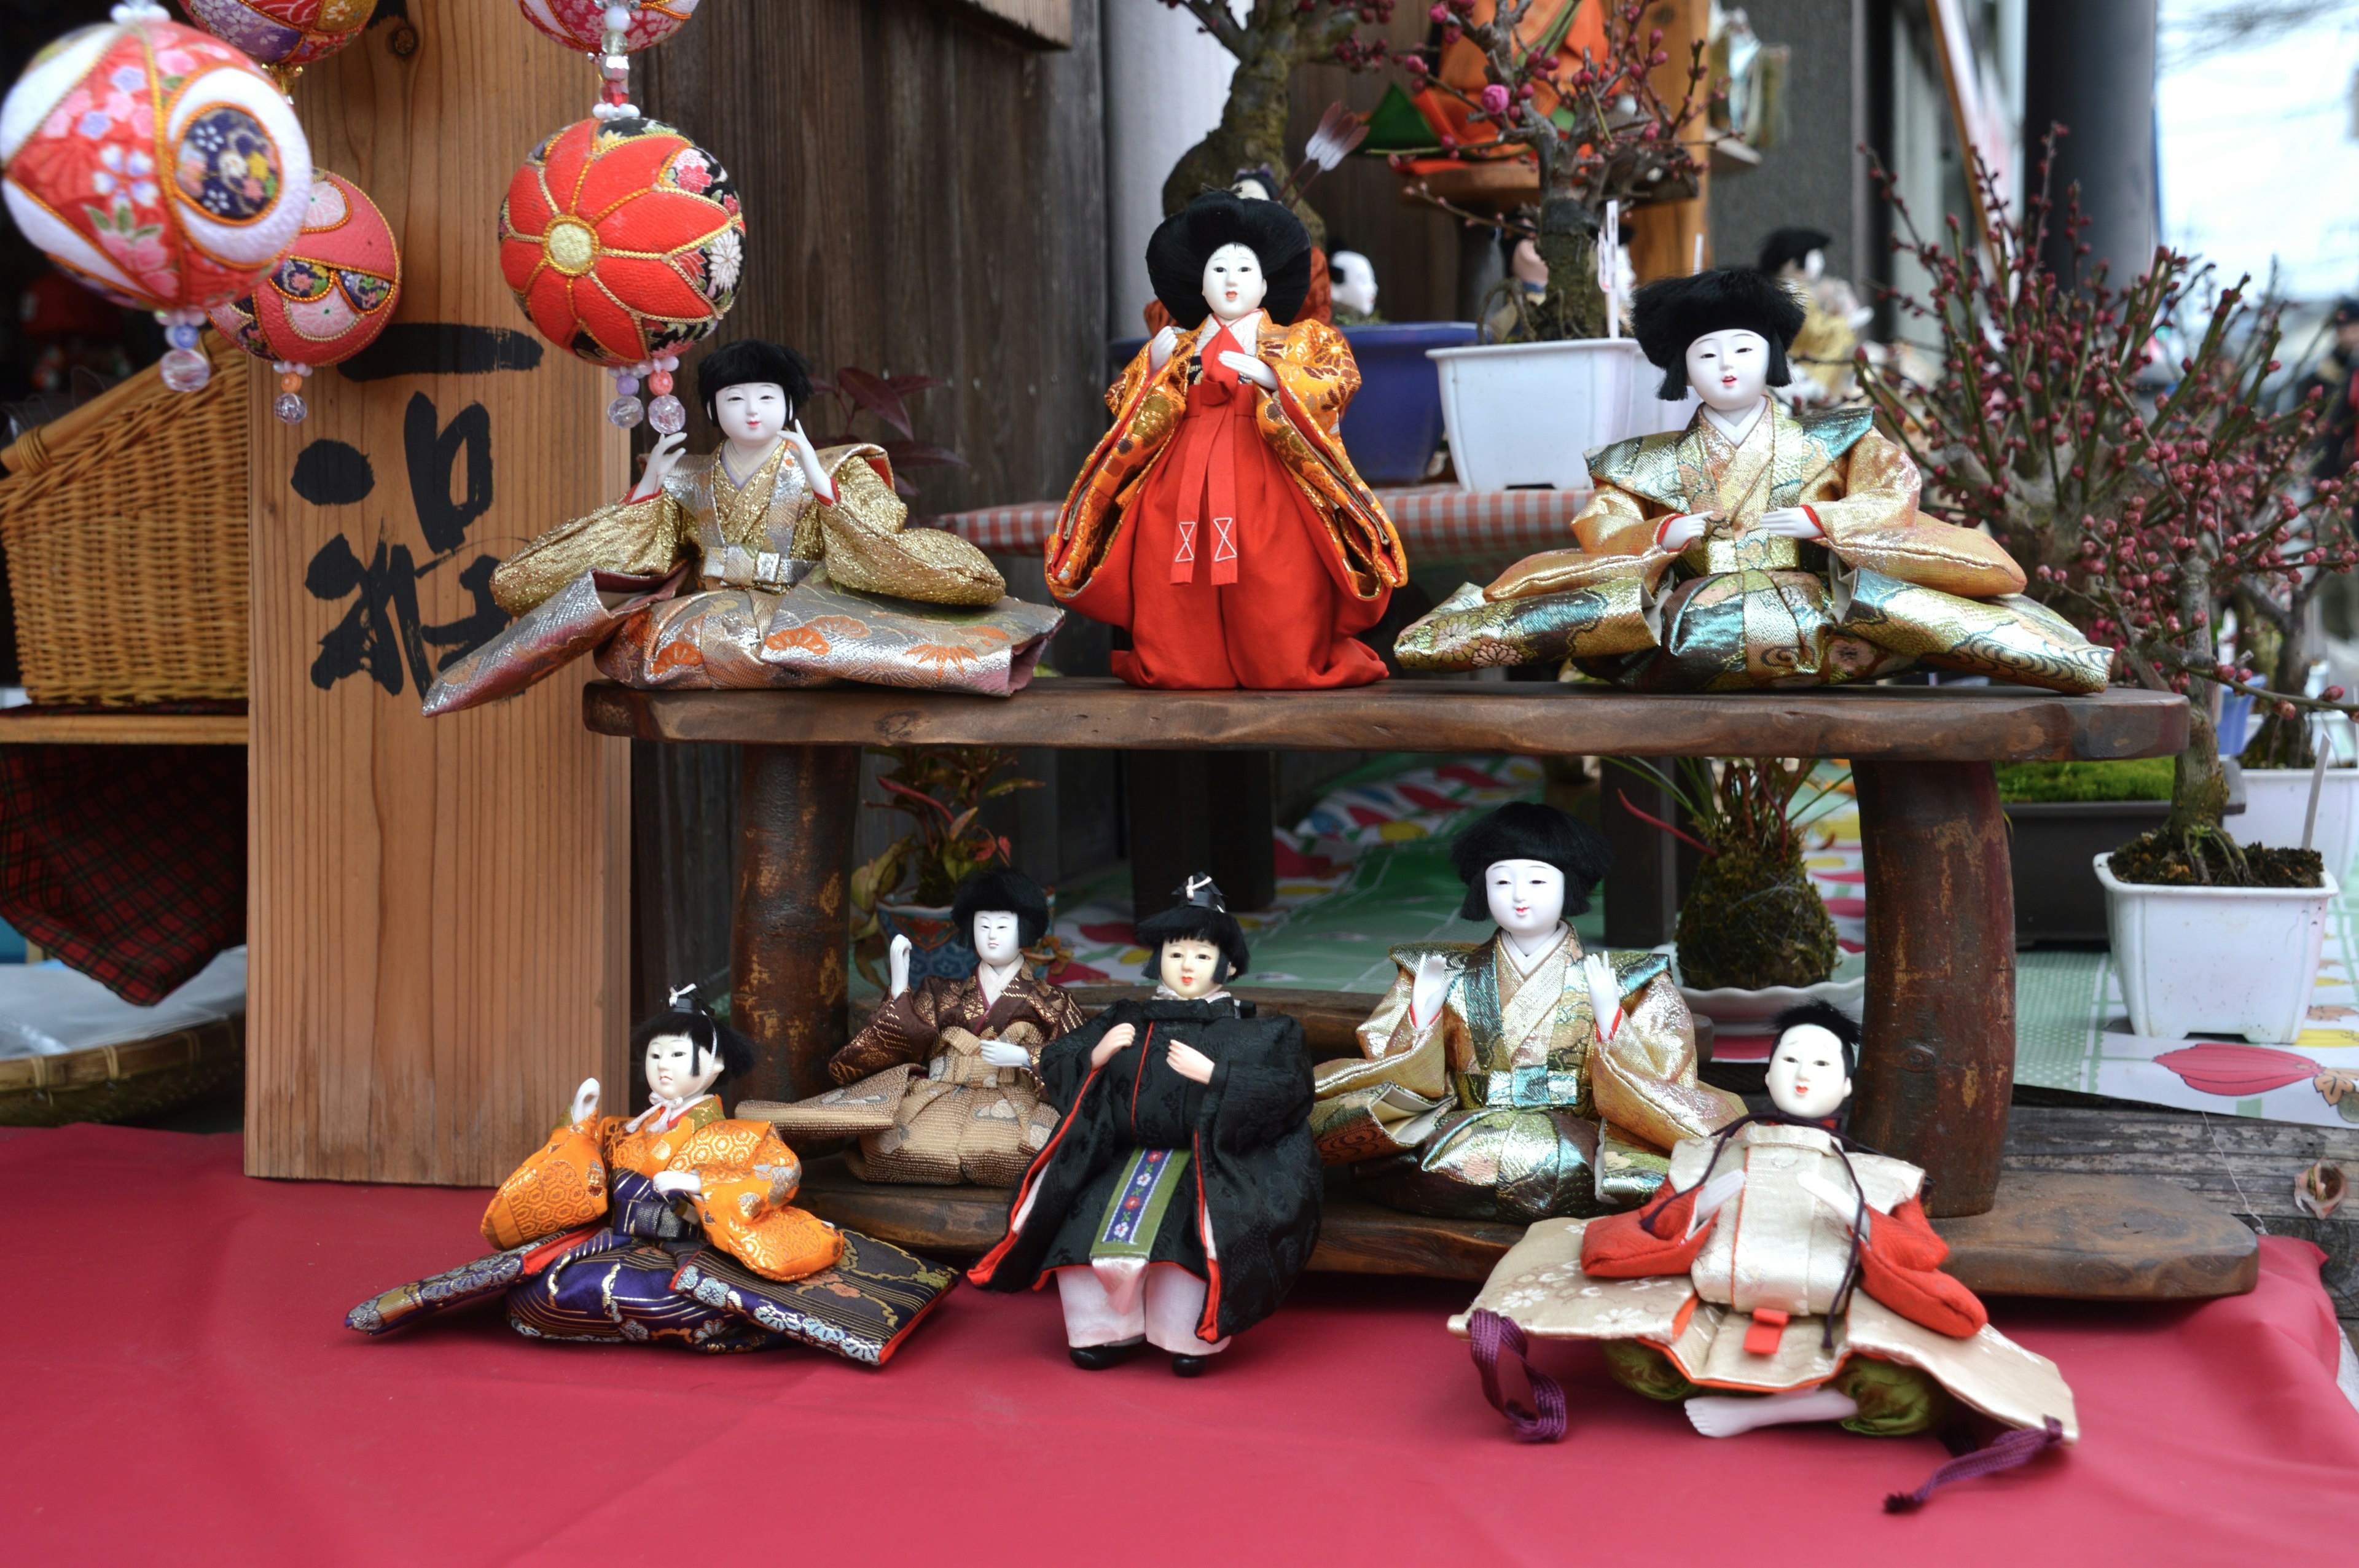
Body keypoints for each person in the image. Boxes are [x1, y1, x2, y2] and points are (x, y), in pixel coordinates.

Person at [1454, 1002, 2079, 1499]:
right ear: (1768, 1071)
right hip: (1714, 1312)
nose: (1805, 1073)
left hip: (1830, 1328)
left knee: (1914, 1399)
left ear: (1847, 1085)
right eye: (1791, 1058)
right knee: (1630, 1357)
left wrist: (1862, 1223)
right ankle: (1753, 1395)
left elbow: (1922, 1258)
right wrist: (1692, 1212)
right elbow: (1632, 1234)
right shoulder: (1707, 1155)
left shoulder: (1884, 1177)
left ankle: (1763, 1413)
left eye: (1823, 1064)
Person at [1394, 267, 2113, 693]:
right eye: (1709, 354)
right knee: (1587, 611)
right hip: (1688, 621)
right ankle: (1439, 637)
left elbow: (1894, 495)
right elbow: (1603, 529)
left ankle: (2066, 657)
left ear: (1772, 356)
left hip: (1820, 610)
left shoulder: (1840, 438)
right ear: (1685, 371)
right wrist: (1660, 534)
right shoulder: (1638, 462)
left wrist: (1825, 524)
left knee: (1907, 606)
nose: (1729, 365)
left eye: (1745, 348)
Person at [345, 989, 975, 1360]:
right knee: (542, 1292)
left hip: (686, 1250)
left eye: (677, 1055)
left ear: (713, 1065)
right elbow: (568, 1192)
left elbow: (779, 1176)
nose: (662, 1067)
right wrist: (576, 1128)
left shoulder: (740, 1134)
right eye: (654, 1055)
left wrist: (703, 1189)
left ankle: (714, 1320)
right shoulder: (623, 1129)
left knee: (689, 1296)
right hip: (615, 1242)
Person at [1046, 190, 1407, 690]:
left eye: (1243, 270)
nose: (1231, 280)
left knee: (1274, 574)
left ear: (1266, 282)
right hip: (1181, 483)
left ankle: (1281, 659)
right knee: (1174, 578)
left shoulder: (1300, 340)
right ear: (1199, 283)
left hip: (1265, 474)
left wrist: (1276, 377)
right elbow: (1125, 407)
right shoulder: (1177, 344)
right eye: (1218, 270)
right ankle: (1184, 660)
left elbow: (1337, 382)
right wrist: (1153, 370)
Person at [1312, 803, 1742, 1220]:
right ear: (1483, 888)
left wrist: (1612, 1018)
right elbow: (1398, 1071)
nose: (1518, 896)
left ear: (1567, 886)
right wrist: (1421, 1018)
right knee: (1365, 1126)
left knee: (1591, 1164)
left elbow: (1668, 1072)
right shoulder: (1442, 970)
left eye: (1537, 882)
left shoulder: (1632, 979)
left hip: (1579, 1139)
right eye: (1501, 883)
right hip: (1465, 1131)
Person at [968, 877, 1321, 1375]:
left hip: (1207, 1160)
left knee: (1191, 1237)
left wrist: (1219, 1076)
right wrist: (1096, 1054)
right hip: (1121, 1152)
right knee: (1084, 1217)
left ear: (1230, 965)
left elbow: (1290, 1091)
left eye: (1201, 955)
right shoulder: (1126, 1017)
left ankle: (1187, 1337)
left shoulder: (1258, 1034)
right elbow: (1061, 1060)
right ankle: (1102, 1332)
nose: (1186, 966)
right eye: (1175, 954)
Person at [488, 338, 1004, 615]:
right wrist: (649, 491)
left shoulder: (834, 467)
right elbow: (641, 552)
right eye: (735, 399)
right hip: (709, 614)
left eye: (767, 398)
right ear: (713, 411)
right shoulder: (687, 476)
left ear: (789, 404)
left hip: (805, 611)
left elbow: (878, 537)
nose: (753, 412)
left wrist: (820, 484)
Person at [765, 868, 1086, 1187]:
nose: (991, 935)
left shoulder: (1053, 1002)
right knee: (890, 1146)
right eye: (983, 925)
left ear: (1025, 931)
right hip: (940, 1099)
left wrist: (1023, 1057)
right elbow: (902, 1043)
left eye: (1002, 926)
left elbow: (1083, 1062)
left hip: (1015, 1103)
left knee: (1033, 1151)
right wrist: (900, 986)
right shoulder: (940, 992)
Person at [1755, 226, 1873, 404]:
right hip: (1803, 362)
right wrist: (1846, 323)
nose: (1819, 262)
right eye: (1814, 256)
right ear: (1792, 262)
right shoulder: (1792, 292)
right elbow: (1813, 331)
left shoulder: (1791, 289)